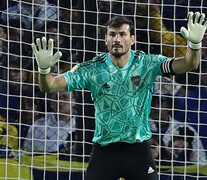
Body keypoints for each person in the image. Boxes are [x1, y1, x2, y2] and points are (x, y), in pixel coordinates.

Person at [31, 12, 207, 180]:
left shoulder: (147, 63)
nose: (117, 39)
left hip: (139, 150)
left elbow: (188, 64)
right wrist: (44, 70)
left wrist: (195, 45)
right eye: (112, 34)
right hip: (105, 151)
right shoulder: (91, 69)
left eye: (122, 34)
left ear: (132, 39)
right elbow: (50, 86)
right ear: (105, 39)